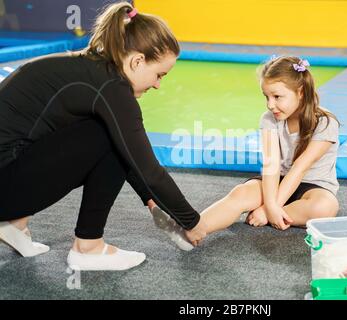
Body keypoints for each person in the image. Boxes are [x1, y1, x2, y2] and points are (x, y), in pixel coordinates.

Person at [0, 2, 207, 271]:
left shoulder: (94, 70)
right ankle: (88, 247)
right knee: (105, 134)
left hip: (9, 175)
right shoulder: (112, 88)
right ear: (137, 60)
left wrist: (150, 200)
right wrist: (192, 221)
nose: (158, 84)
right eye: (159, 75)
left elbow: (130, 158)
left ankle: (14, 225)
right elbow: (149, 170)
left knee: (106, 132)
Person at [179, 55, 340, 245]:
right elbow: (271, 164)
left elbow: (300, 168)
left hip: (313, 188)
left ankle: (275, 214)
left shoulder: (325, 122)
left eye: (277, 97)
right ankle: (194, 230)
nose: (270, 105)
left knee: (325, 208)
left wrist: (267, 209)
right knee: (240, 193)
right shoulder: (269, 119)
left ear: (301, 92)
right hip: (277, 181)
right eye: (267, 97)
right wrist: (270, 202)